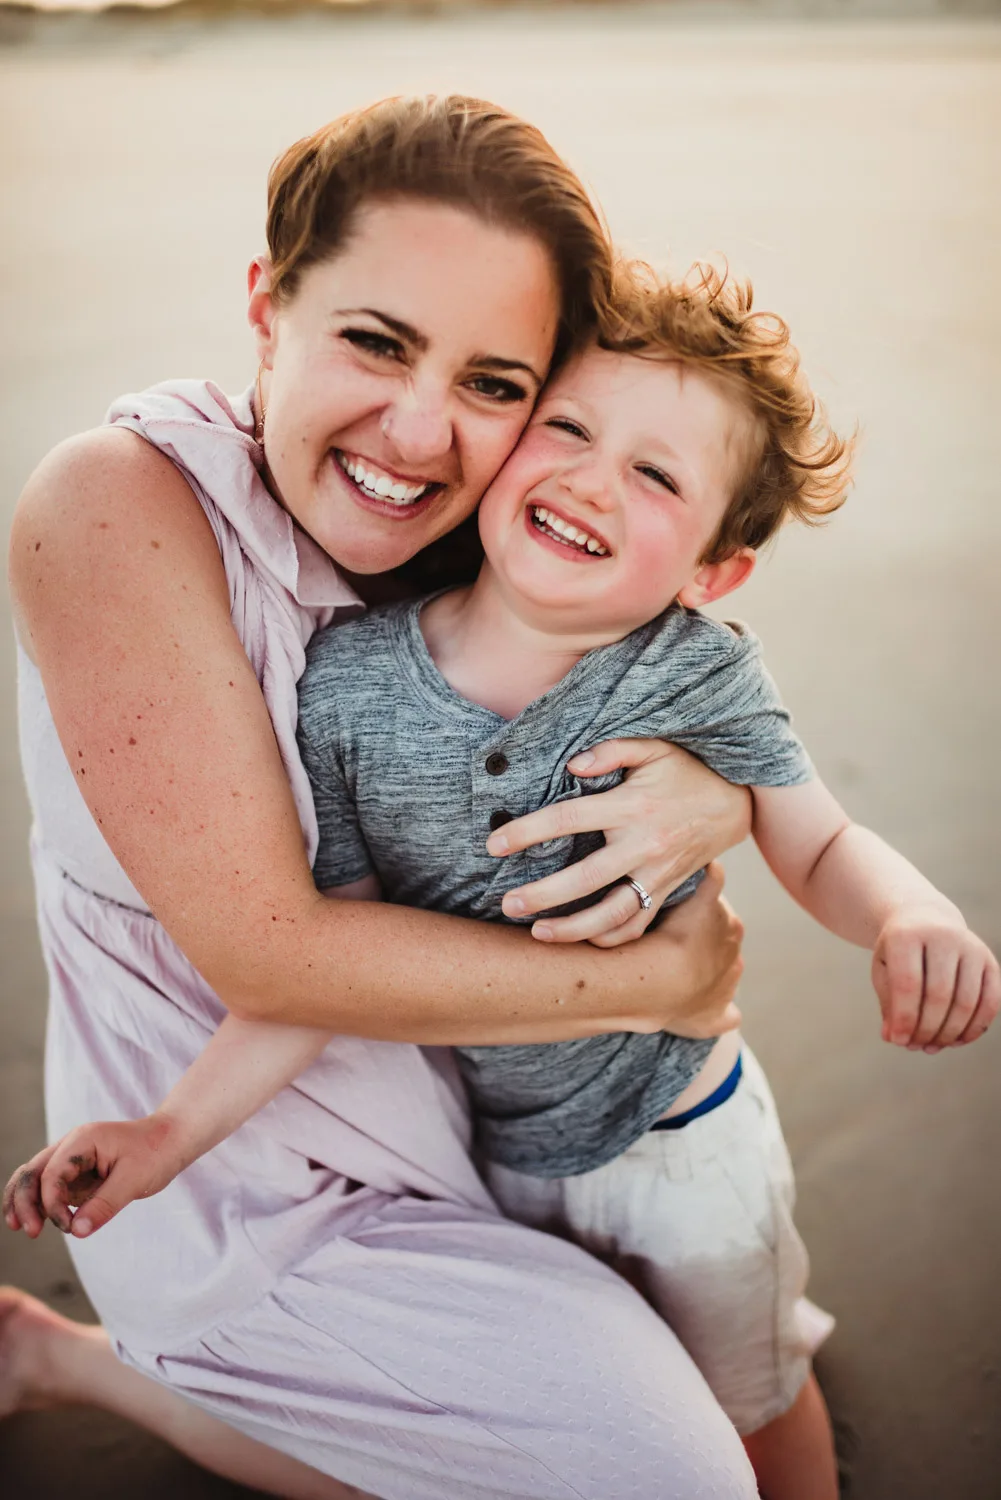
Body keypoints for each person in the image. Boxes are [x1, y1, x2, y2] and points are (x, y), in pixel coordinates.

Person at [11, 262, 999, 1499]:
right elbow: (319, 961)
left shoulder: (695, 674)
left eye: (655, 475)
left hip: (676, 1141)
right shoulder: (351, 684)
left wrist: (909, 912)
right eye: (569, 429)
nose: (591, 477)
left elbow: (814, 838)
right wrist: (168, 1132)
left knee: (748, 1392)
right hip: (489, 1154)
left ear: (711, 570)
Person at [1, 97, 759, 1500]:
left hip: (478, 1111)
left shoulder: (455, 535)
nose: (418, 432)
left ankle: (75, 1366)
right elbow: (265, 953)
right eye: (374, 340)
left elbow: (663, 653)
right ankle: (139, 1356)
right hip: (243, 1190)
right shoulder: (114, 503)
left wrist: (715, 797)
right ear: (265, 305)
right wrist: (664, 979)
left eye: (493, 383)